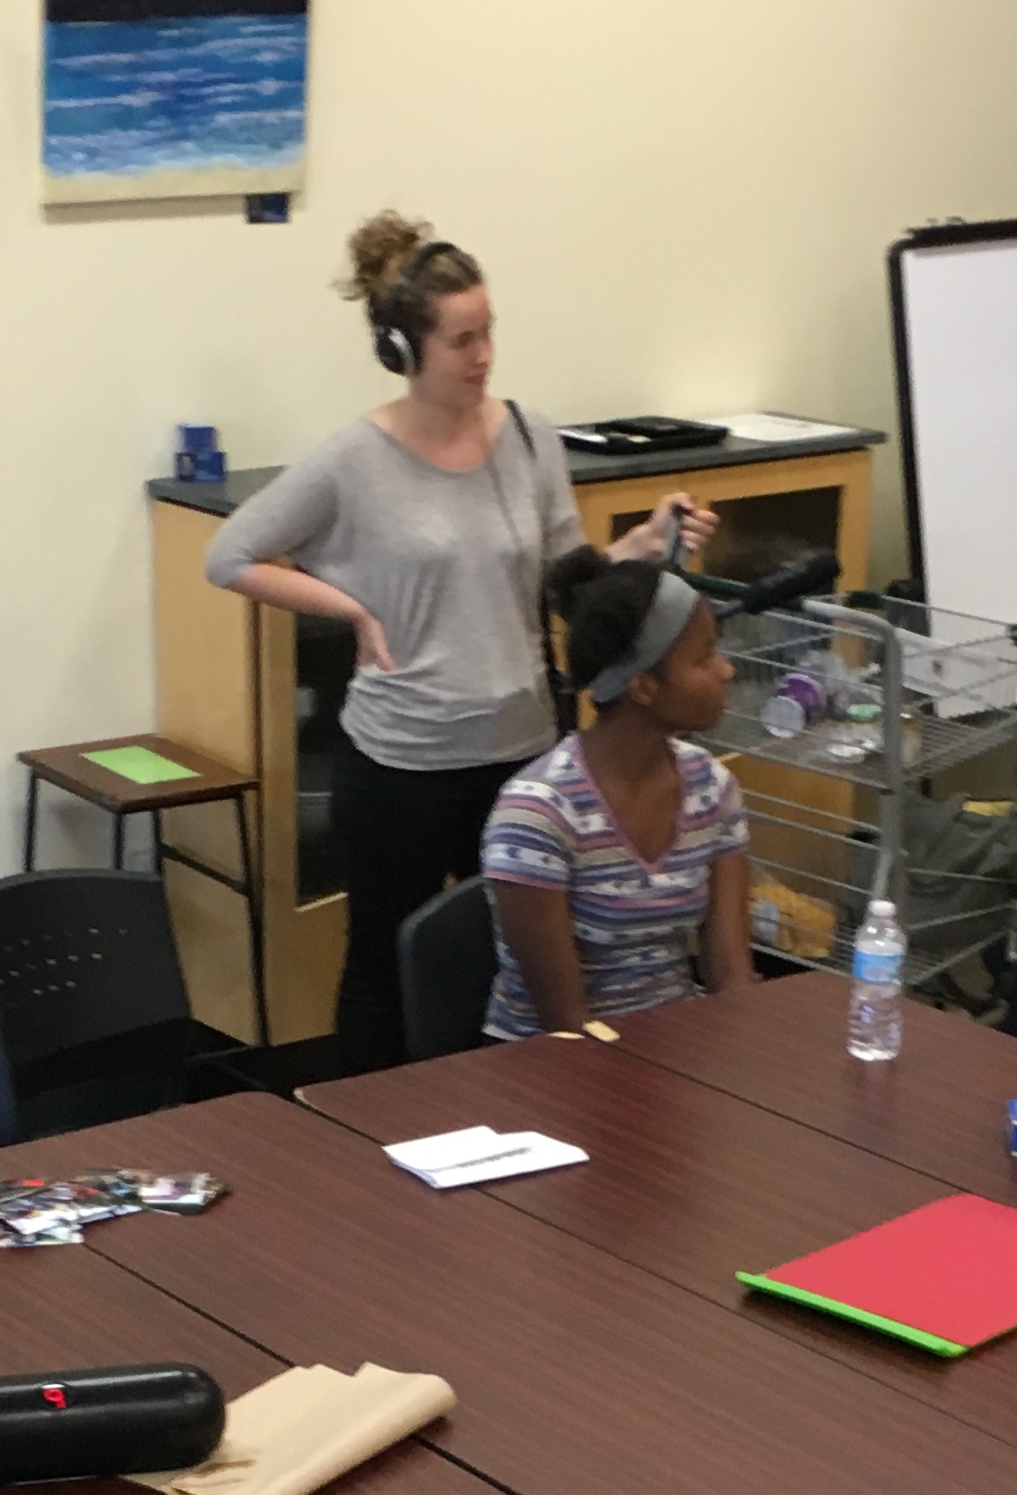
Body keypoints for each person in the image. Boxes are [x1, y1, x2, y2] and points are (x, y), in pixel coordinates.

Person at [206, 212, 698, 1072]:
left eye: (489, 332)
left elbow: (563, 576)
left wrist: (642, 546)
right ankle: (365, 1148)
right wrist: (350, 610)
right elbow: (229, 555)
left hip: (519, 754)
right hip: (403, 762)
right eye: (461, 340)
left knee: (513, 962)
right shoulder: (354, 459)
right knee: (384, 970)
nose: (482, 357)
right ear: (403, 349)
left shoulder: (530, 436)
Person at [478, 547, 755, 1040]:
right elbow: (565, 1025)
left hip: (673, 1052)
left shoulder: (712, 788)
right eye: (705, 656)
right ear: (643, 686)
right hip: (553, 1070)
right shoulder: (537, 815)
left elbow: (732, 977)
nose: (726, 670)